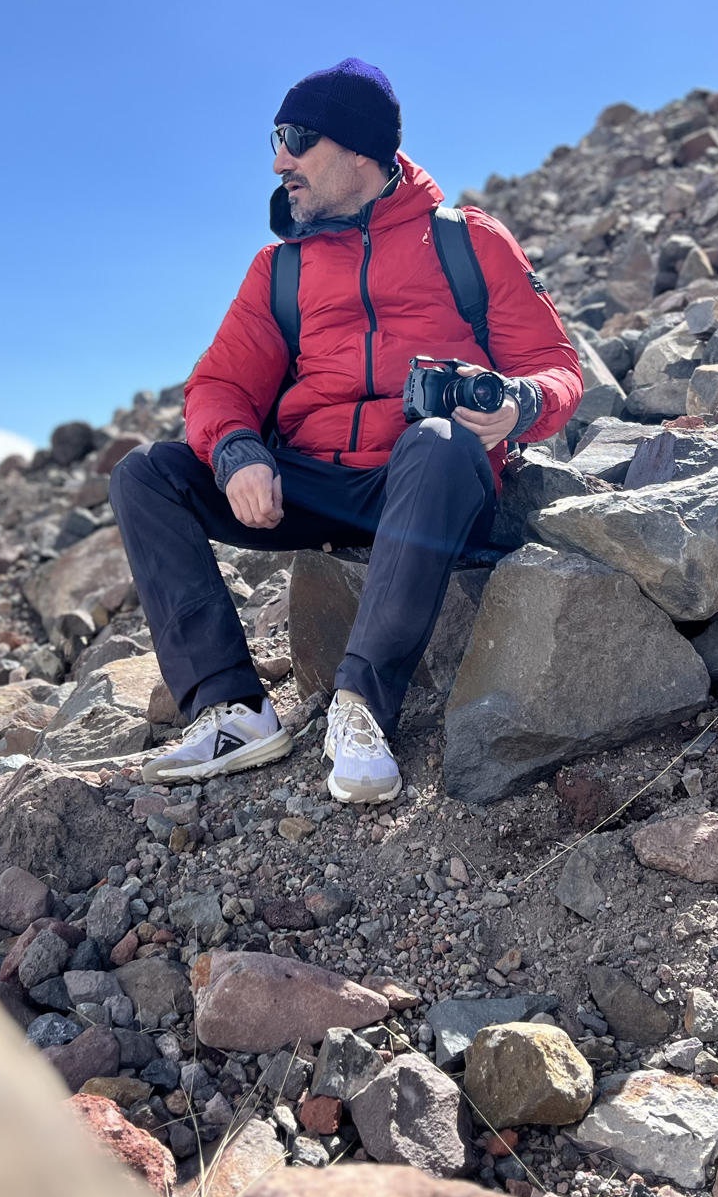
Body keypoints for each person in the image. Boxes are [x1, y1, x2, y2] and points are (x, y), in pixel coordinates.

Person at [107, 58, 582, 804]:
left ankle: (360, 707)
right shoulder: (279, 271)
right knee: (149, 472)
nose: (278, 161)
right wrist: (237, 452)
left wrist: (522, 403)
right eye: (276, 139)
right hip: (314, 481)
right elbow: (220, 385)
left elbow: (556, 365)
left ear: (360, 149)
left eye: (296, 138)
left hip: (424, 480)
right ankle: (232, 709)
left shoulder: (469, 242)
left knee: (436, 439)